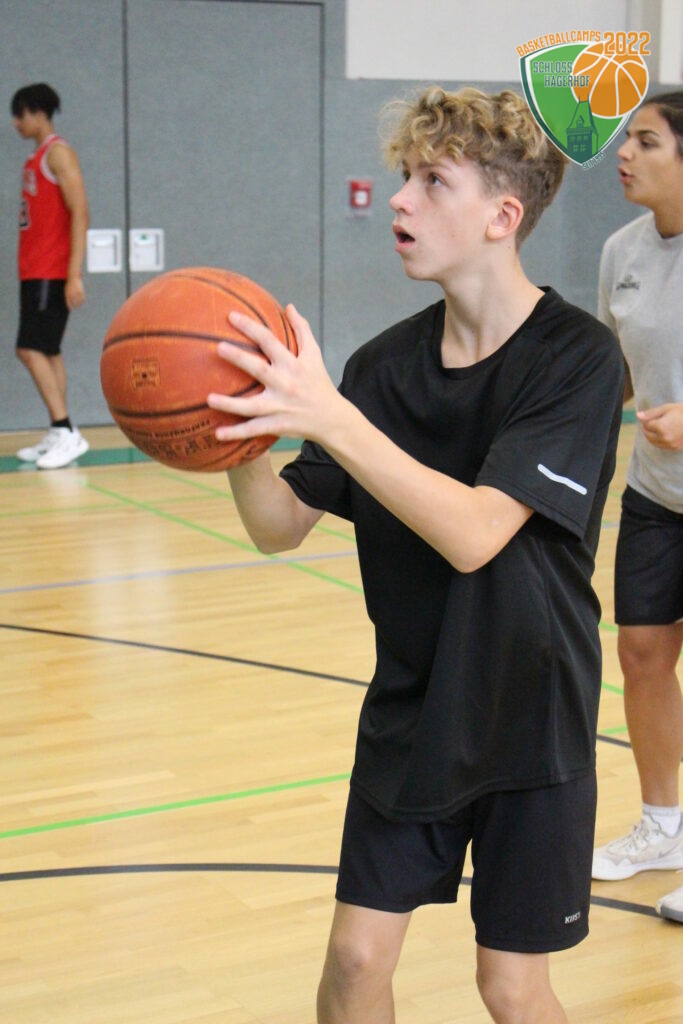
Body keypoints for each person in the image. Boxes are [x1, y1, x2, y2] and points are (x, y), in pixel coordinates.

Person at [209, 87, 624, 1022]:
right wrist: (229, 428)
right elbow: (277, 524)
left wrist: (331, 418)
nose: (399, 199)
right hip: (413, 706)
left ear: (501, 217)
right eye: (404, 175)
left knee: (509, 986)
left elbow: (476, 533)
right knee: (356, 958)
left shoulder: (577, 357)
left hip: (531, 715)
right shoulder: (382, 369)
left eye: (433, 181)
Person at [592, 90, 683, 924]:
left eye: (645, 141)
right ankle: (663, 827)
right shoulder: (620, 249)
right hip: (656, 495)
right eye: (625, 138)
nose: (623, 152)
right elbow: (612, 372)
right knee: (643, 654)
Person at [11, 82, 90, 469]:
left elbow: (81, 211)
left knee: (29, 349)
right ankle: (61, 432)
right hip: (34, 271)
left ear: (38, 113)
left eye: (20, 114)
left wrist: (73, 274)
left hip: (50, 270)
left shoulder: (59, 153)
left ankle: (65, 429)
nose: (15, 122)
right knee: (49, 352)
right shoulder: (36, 157)